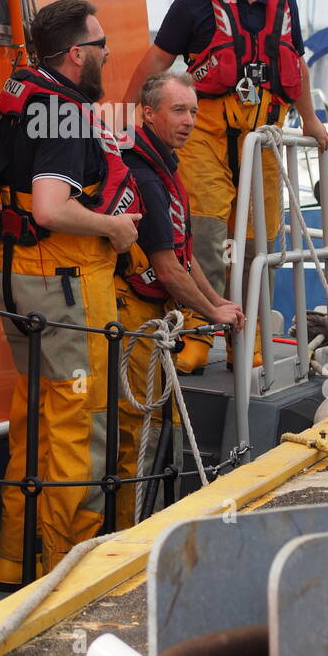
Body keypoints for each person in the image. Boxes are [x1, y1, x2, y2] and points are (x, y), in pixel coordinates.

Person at [0, 0, 141, 588]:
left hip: (17, 279)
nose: (107, 55)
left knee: (34, 418)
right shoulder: (67, 113)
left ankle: (15, 561)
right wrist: (114, 228)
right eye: (100, 45)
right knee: (81, 423)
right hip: (66, 284)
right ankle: (69, 573)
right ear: (75, 55)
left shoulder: (16, 97)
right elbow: (51, 206)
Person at [123, 0, 328, 354]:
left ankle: (252, 343)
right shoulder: (195, 1)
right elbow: (155, 62)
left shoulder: (283, 2)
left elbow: (296, 64)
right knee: (205, 234)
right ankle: (197, 334)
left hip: (266, 137)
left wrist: (310, 120)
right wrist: (126, 119)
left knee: (260, 244)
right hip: (207, 135)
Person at [115, 71, 245, 526]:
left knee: (153, 425)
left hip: (156, 316)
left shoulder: (164, 164)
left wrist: (217, 305)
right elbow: (167, 268)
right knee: (137, 431)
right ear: (148, 114)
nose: (189, 120)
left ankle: (146, 525)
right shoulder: (144, 174)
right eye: (178, 111)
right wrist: (212, 311)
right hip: (134, 313)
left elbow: (183, 257)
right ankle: (124, 534)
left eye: (193, 111)